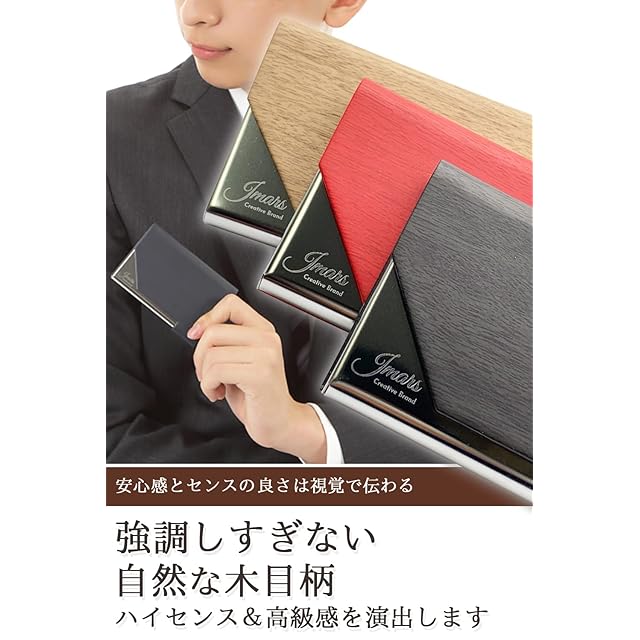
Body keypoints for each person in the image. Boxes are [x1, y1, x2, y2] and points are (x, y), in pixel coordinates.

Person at [107, 0, 444, 465]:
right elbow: (107, 440)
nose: (194, 12)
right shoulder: (111, 137)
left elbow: (491, 429)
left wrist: (313, 438)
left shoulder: (446, 154)